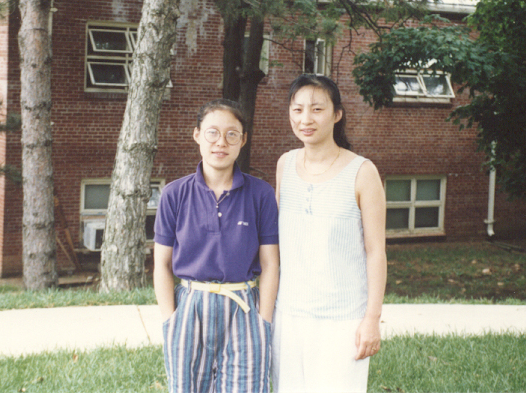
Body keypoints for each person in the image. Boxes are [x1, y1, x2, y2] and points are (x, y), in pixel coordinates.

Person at [153, 99, 280, 393]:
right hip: (189, 307)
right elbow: (161, 264)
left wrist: (263, 321)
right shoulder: (174, 194)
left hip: (244, 307)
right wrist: (170, 320)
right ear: (197, 134)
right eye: (212, 132)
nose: (221, 142)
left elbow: (271, 263)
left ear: (243, 140)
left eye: (231, 134)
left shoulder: (260, 193)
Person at [272, 74, 387, 393]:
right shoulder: (285, 165)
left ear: (337, 114)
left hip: (343, 319)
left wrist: (372, 319)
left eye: (317, 109)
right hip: (289, 315)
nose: (305, 119)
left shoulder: (362, 172)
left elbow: (376, 252)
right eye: (297, 109)